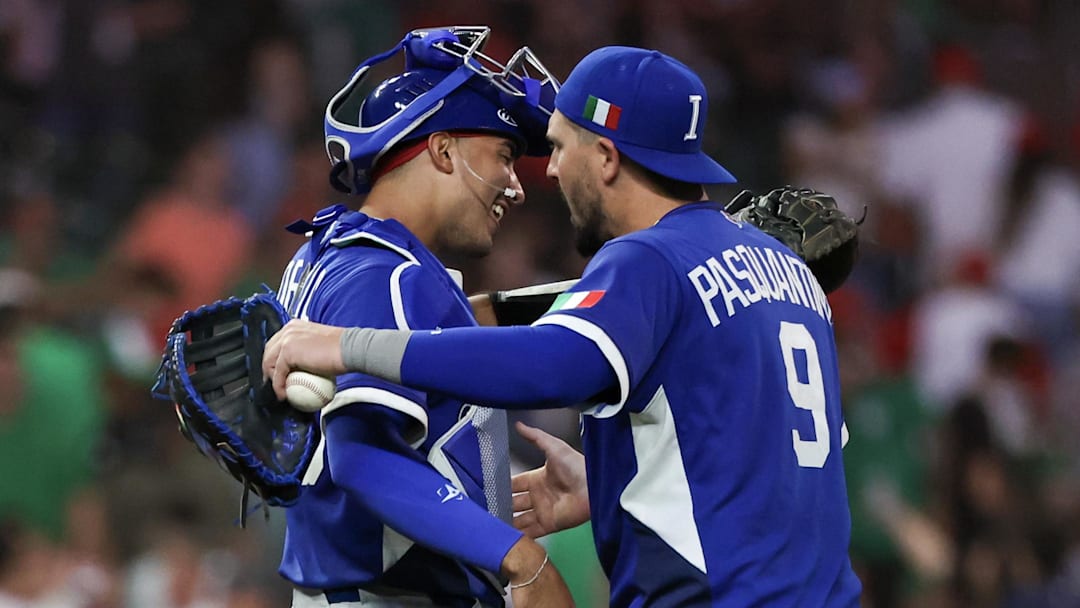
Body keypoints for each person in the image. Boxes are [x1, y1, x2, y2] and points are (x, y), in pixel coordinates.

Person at [264, 45, 863, 606]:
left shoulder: (647, 260)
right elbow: (769, 460)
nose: (544, 173)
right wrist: (619, 484)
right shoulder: (786, 271)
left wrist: (348, 346)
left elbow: (554, 363)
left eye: (557, 146)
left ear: (606, 156)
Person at [270, 26, 571, 608]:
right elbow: (364, 457)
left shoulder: (326, 252)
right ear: (441, 149)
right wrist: (522, 560)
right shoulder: (390, 275)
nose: (516, 188)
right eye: (504, 156)